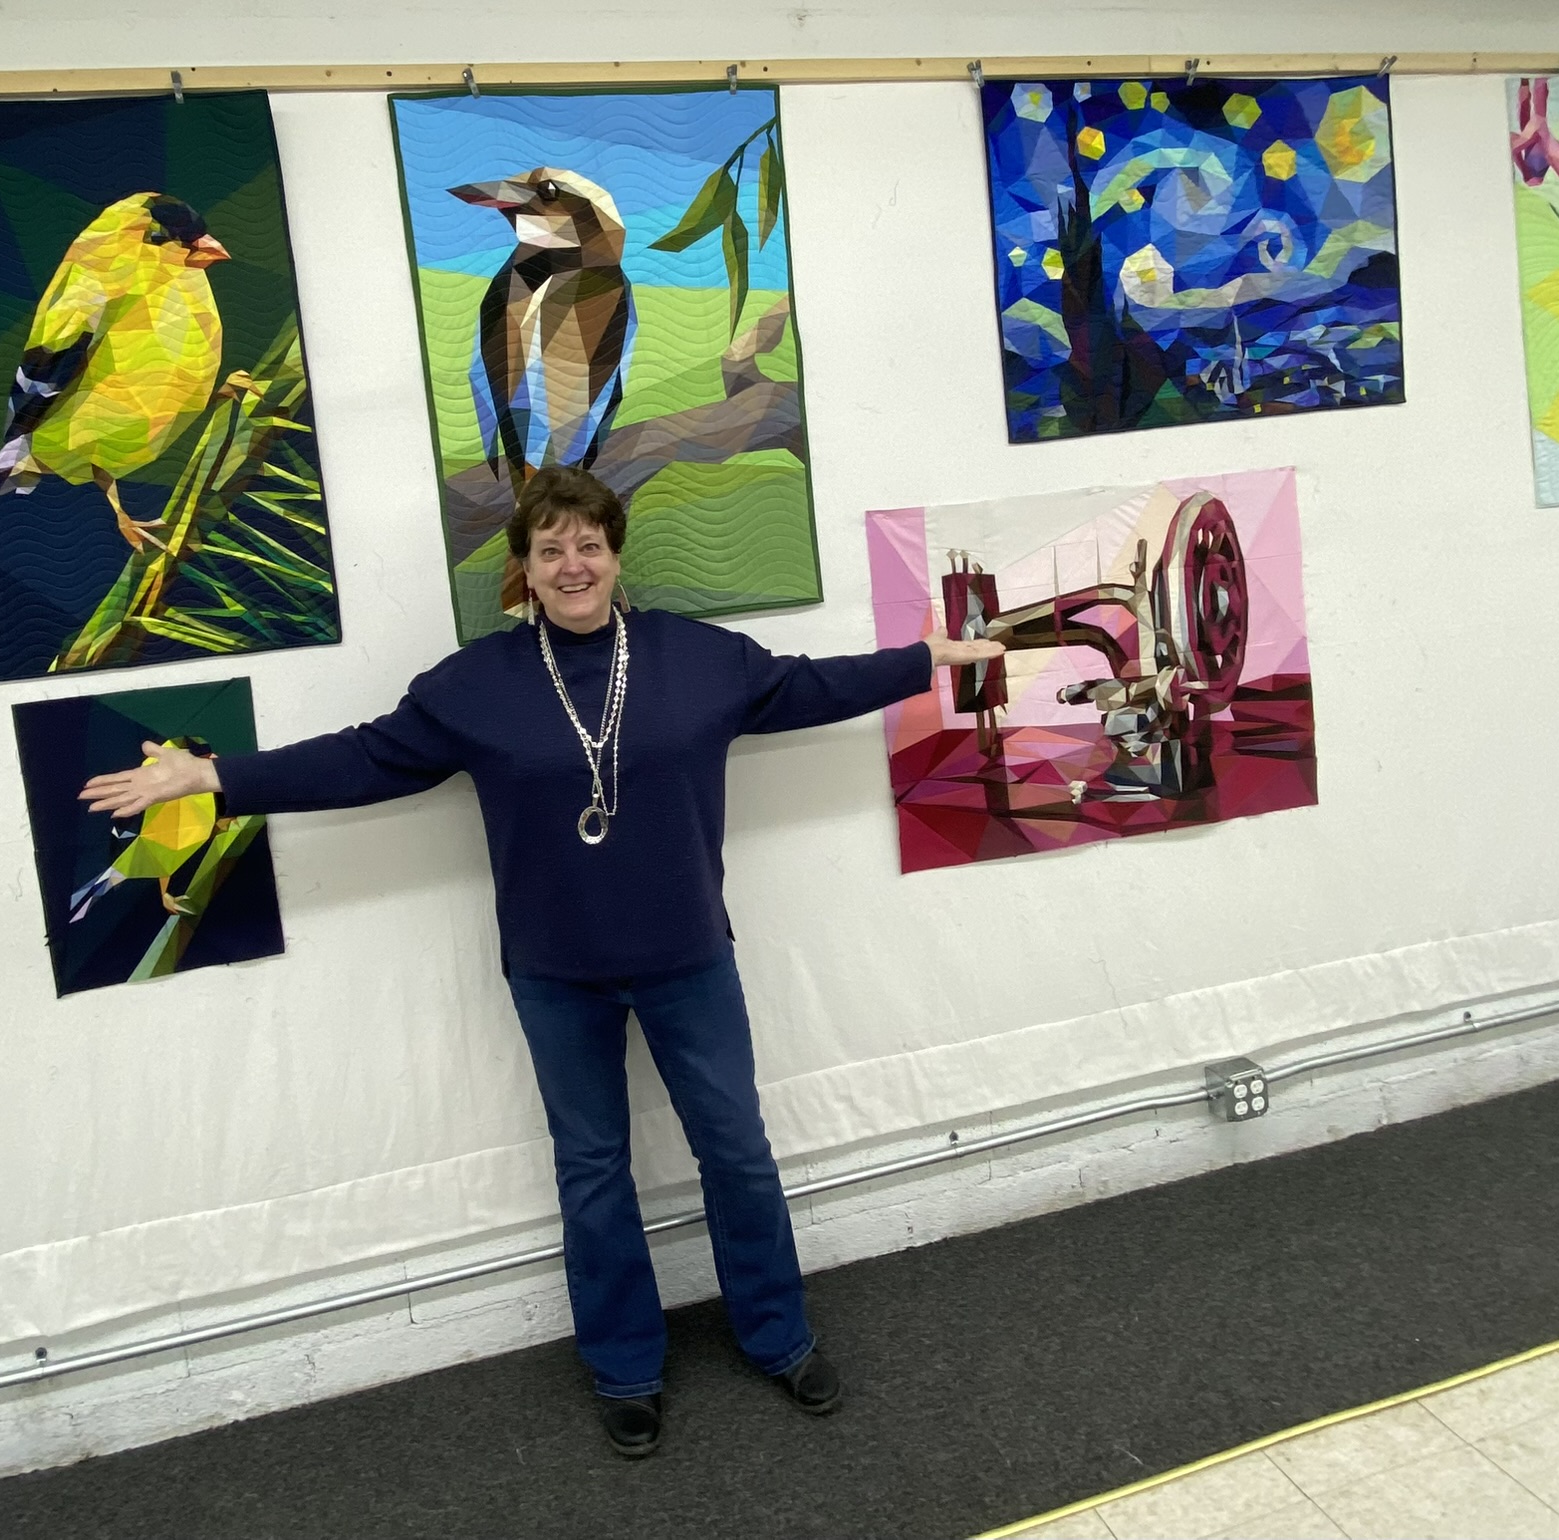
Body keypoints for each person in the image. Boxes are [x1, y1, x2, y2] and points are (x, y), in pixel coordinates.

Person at [81, 466, 1003, 1457]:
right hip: (555, 974)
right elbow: (357, 759)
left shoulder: (696, 659)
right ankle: (625, 1368)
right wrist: (213, 774)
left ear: (615, 554)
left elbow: (813, 685)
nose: (573, 564)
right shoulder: (473, 685)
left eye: (589, 545)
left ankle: (777, 1337)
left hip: (689, 956)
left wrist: (924, 658)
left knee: (735, 1152)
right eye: (550, 548)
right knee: (593, 1168)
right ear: (523, 565)